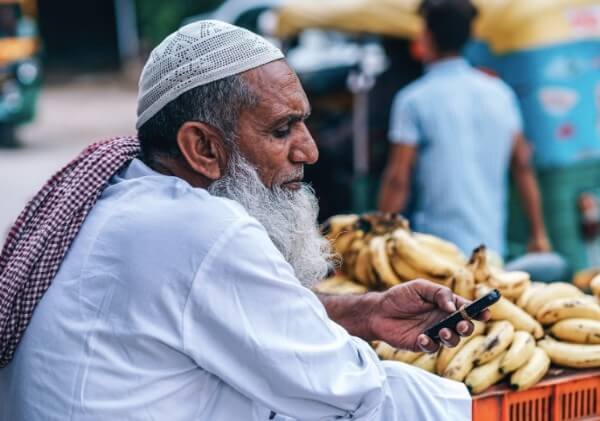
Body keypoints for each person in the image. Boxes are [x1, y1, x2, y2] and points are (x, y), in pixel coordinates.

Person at [0, 21, 486, 420]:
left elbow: (232, 315)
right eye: (282, 130)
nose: (309, 150)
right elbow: (351, 391)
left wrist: (365, 313)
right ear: (203, 148)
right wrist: (479, 409)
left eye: (304, 123)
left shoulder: (125, 194)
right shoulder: (200, 231)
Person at [378, 0, 550, 258]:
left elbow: (398, 179)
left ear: (427, 37)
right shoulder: (500, 93)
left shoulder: (413, 99)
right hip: (491, 248)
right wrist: (538, 234)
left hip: (436, 252)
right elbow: (523, 165)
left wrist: (378, 239)